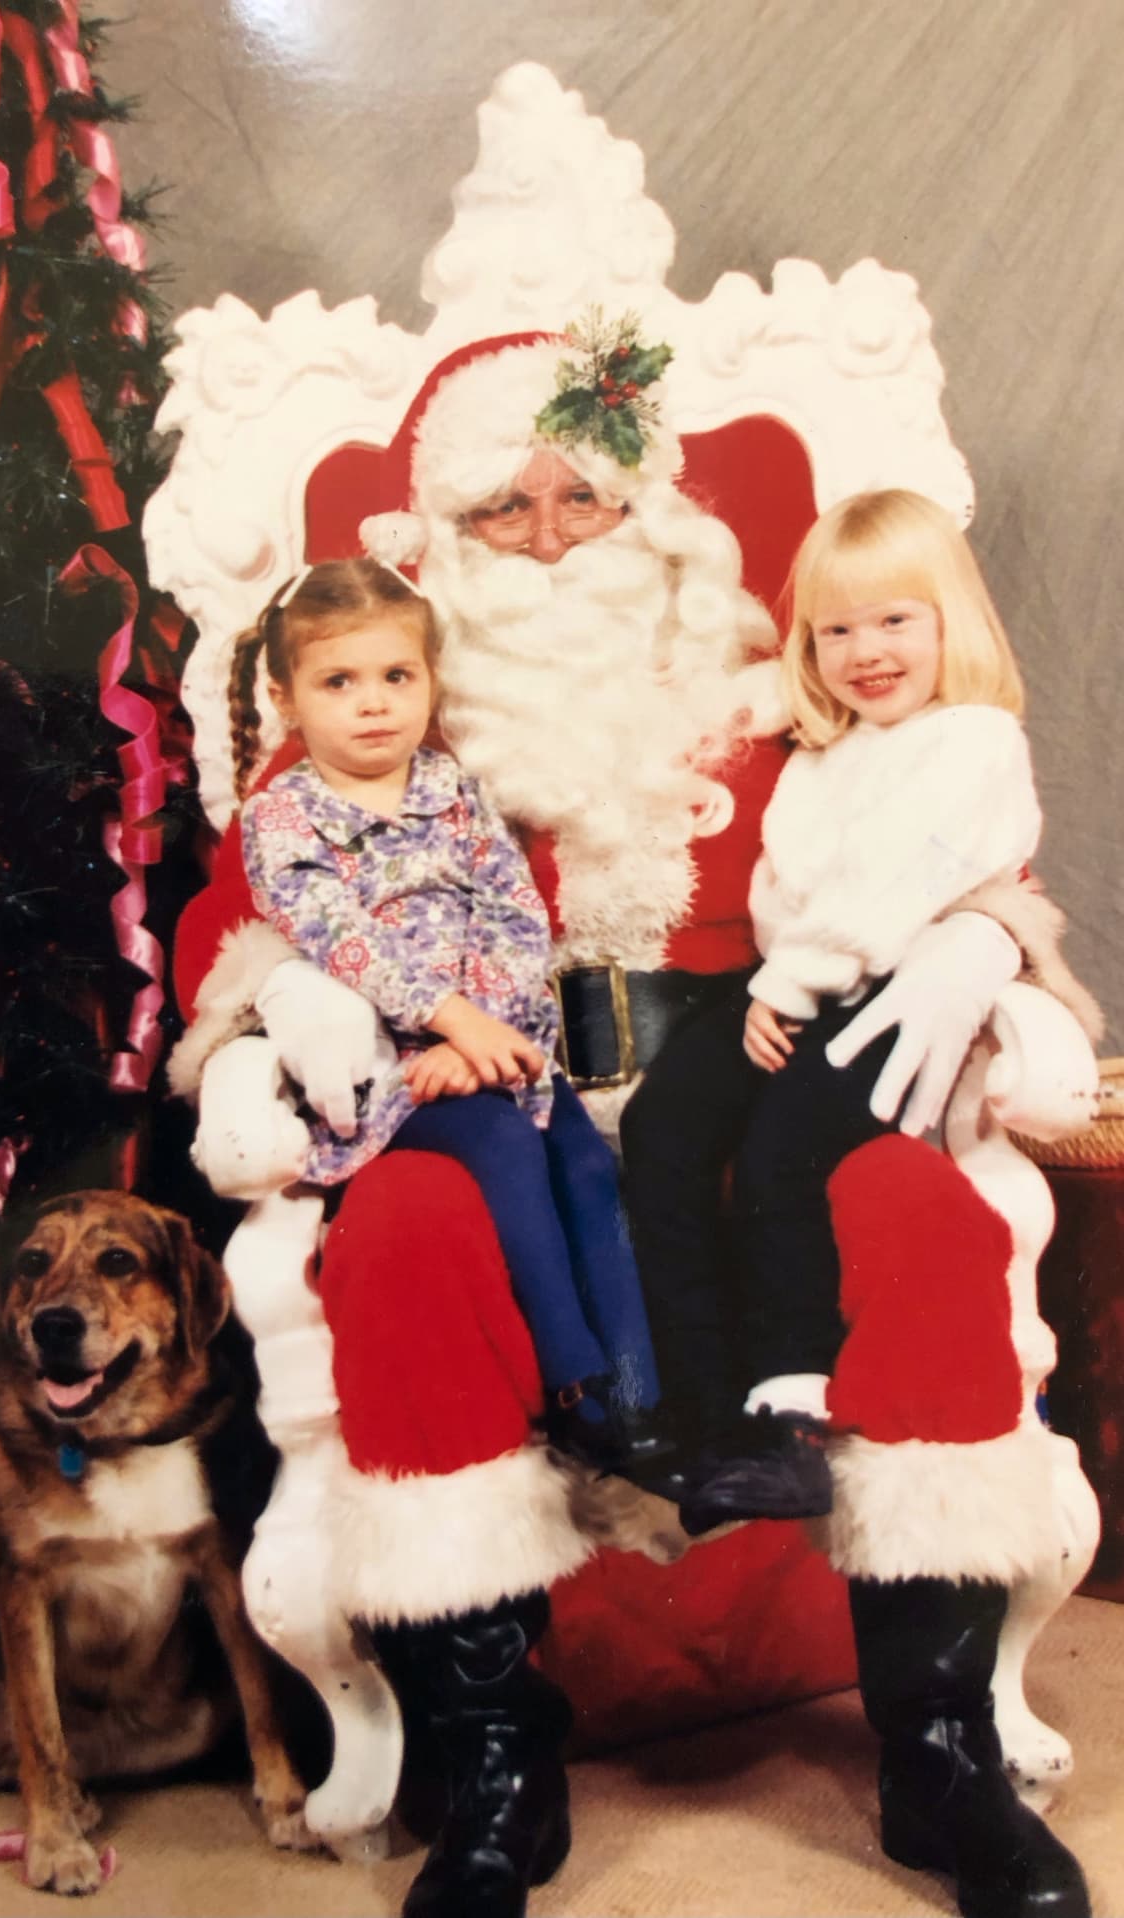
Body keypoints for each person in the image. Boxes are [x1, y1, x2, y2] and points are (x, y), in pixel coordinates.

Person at [173, 324, 1095, 1918]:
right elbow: (242, 902)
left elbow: (946, 827)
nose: (543, 540)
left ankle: (939, 1751)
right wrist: (299, 993)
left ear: (650, 518)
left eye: (580, 502)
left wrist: (983, 938)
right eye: (500, 511)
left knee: (939, 1224)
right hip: (472, 1097)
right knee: (396, 1233)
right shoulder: (384, 729)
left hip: (773, 1086)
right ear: (436, 550)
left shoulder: (776, 695)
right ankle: (494, 1753)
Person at [618, 487, 1100, 1538]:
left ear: (950, 624)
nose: (866, 651)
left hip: (881, 988)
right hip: (797, 979)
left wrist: (787, 986)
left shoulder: (973, 738)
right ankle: (701, 1406)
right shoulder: (824, 759)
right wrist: (780, 978)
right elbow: (781, 893)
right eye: (836, 630)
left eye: (895, 621)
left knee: (789, 1148)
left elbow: (894, 885)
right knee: (669, 1124)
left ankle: (792, 1417)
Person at [230, 554, 662, 1471]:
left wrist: (486, 1035)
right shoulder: (282, 819)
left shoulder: (453, 794)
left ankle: (640, 1398)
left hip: (498, 1050)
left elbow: (513, 914)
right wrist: (451, 1024)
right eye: (339, 682)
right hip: (396, 1072)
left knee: (584, 1162)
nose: (374, 703)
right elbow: (340, 938)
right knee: (505, 1151)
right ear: (286, 696)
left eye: (397, 677)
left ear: (431, 682)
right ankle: (575, 1388)